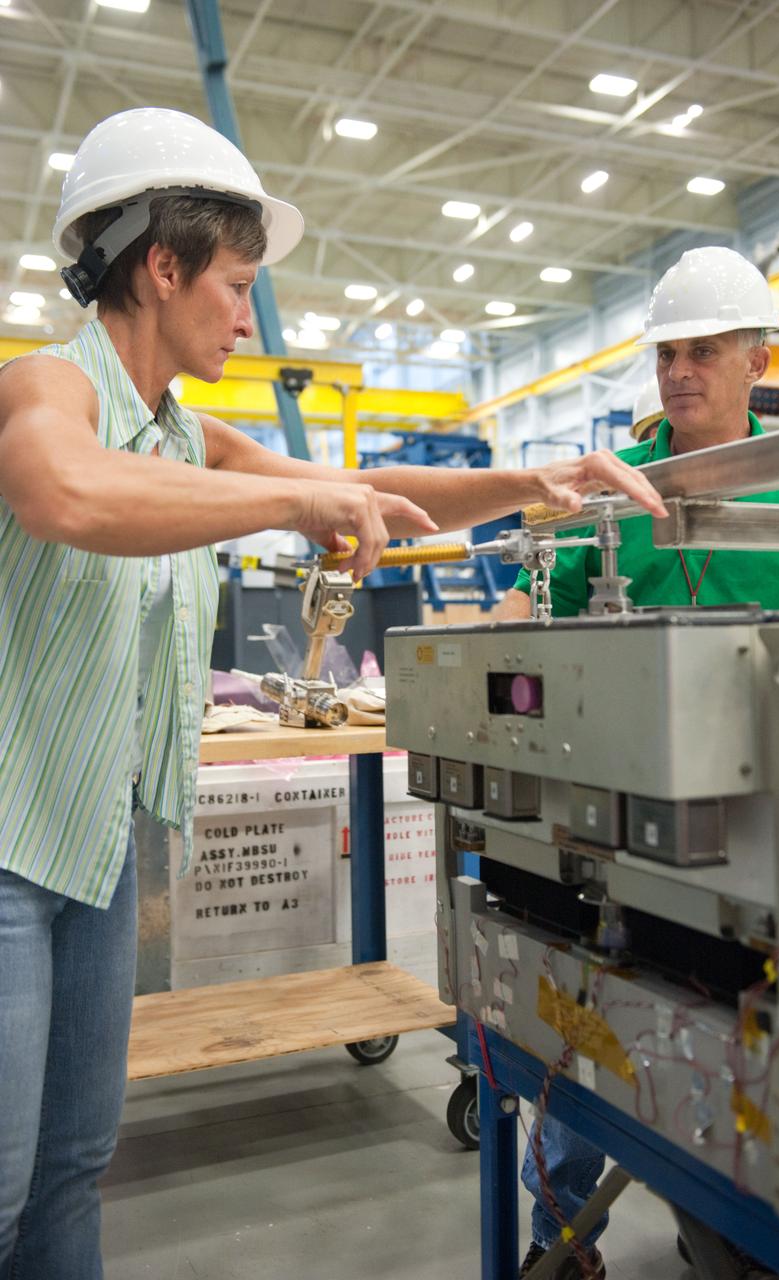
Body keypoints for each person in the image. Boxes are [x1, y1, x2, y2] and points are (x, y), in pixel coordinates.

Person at [0, 106, 665, 1280]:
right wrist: (290, 506)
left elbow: (360, 481)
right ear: (161, 266)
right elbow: (64, 491)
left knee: (67, 1172)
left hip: (94, 846)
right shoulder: (51, 388)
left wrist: (535, 481)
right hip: (9, 855)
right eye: (236, 283)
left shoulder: (179, 433)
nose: (246, 313)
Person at [498, 245, 779, 1280]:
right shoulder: (607, 492)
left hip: (778, 824)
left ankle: (754, 1208)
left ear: (755, 361)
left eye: (702, 352)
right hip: (617, 818)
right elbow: (535, 608)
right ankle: (561, 1235)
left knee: (760, 1024)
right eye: (665, 355)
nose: (678, 372)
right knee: (583, 1024)